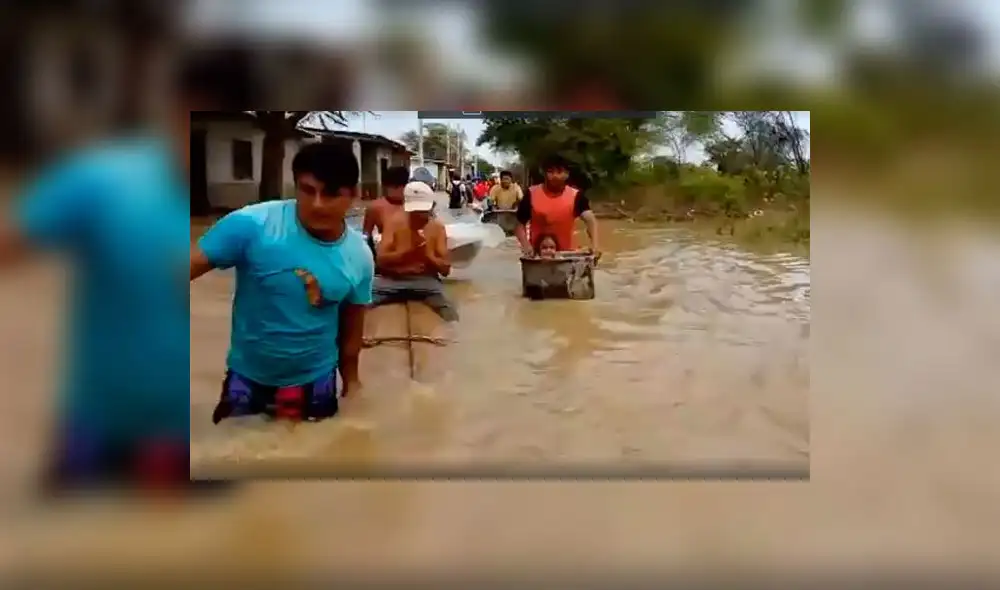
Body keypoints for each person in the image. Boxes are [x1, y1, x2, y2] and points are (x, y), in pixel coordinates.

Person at [190, 143, 374, 423]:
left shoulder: (359, 256)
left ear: (355, 194)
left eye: (331, 193)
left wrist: (353, 383)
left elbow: (352, 329)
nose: (317, 204)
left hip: (316, 381)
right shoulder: (252, 224)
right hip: (248, 376)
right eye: (307, 190)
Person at [373, 181, 458, 322]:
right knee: (359, 303)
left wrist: (429, 255)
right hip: (392, 281)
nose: (420, 217)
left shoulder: (437, 228)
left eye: (423, 212)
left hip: (425, 282)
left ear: (431, 208)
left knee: (450, 313)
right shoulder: (394, 224)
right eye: (415, 213)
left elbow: (446, 270)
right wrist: (405, 254)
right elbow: (380, 261)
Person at [514, 154, 601, 260]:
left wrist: (595, 246)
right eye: (550, 172)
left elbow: (590, 220)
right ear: (544, 173)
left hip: (567, 255)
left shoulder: (576, 196)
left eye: (559, 172)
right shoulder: (531, 193)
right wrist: (526, 246)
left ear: (567, 174)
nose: (555, 176)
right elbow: (519, 224)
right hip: (538, 255)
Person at [362, 165, 409, 253]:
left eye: (400, 187)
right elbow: (366, 235)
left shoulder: (414, 205)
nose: (397, 191)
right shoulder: (375, 207)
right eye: (394, 187)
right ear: (386, 187)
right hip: (387, 253)